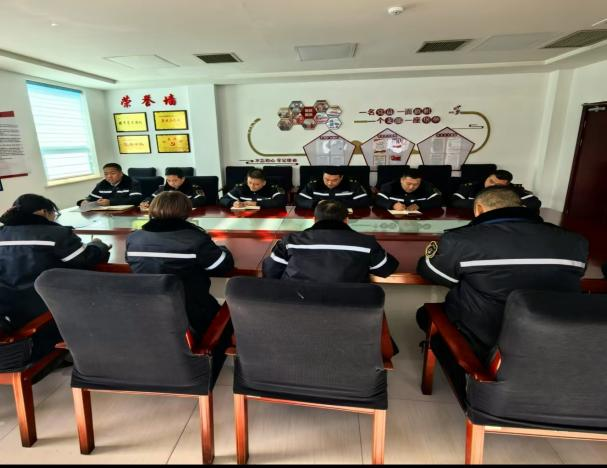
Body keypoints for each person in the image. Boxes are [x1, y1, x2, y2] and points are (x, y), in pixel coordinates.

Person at [416, 185, 588, 361]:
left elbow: (432, 273)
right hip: (558, 336)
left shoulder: (460, 239)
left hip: (485, 341)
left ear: (479, 209)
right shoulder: (575, 241)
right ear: (520, 206)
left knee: (424, 314)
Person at [262, 199, 399, 358]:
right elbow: (386, 268)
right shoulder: (366, 243)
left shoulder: (290, 241)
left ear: (314, 219)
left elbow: (270, 272)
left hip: (297, 315)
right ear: (346, 220)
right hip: (351, 318)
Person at [0, 194, 111, 363]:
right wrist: (98, 245)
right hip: (47, 307)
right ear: (43, 212)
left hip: (7, 309)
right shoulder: (55, 233)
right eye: (54, 213)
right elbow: (85, 259)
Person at [126, 191, 234, 337]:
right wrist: (222, 249)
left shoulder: (133, 238)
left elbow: (133, 262)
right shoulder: (195, 239)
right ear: (186, 211)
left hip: (148, 310)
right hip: (192, 314)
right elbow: (222, 266)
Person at [450, 169, 541, 211]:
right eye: (491, 181)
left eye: (498, 185)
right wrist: (487, 204)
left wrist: (506, 206)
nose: (492, 185)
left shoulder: (512, 189)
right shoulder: (472, 186)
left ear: (506, 185)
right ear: (488, 177)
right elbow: (454, 201)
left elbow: (534, 202)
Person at [296, 166, 370, 209]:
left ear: (341, 178)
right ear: (323, 176)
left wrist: (340, 204)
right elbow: (299, 200)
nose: (330, 183)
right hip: (320, 216)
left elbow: (365, 201)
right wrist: (316, 203)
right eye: (326, 179)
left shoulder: (352, 185)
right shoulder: (314, 184)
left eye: (334, 180)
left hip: (344, 216)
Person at [78, 163, 143, 209]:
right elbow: (91, 198)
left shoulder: (132, 182)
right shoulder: (102, 184)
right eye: (106, 174)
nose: (109, 176)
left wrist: (111, 202)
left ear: (121, 173)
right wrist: (84, 201)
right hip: (107, 214)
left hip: (129, 213)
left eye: (113, 173)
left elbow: (136, 200)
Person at [375, 167, 443, 211]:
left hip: (420, 219)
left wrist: (420, 205)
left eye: (416, 184)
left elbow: (438, 201)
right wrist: (392, 205)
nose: (411, 187)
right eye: (408, 184)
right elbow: (378, 200)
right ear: (402, 180)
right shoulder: (390, 186)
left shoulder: (427, 186)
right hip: (395, 220)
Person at [140, 167, 206, 210]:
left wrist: (177, 205)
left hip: (187, 215)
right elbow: (152, 197)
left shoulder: (194, 187)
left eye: (175, 180)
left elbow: (201, 199)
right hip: (168, 214)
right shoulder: (163, 188)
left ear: (183, 179)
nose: (171, 183)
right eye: (168, 180)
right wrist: (145, 202)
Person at [219, 168, 286, 209]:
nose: (252, 186)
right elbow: (222, 199)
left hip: (267, 218)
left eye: (256, 184)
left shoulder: (272, 188)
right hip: (244, 218)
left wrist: (257, 203)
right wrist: (233, 203)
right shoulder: (241, 187)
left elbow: (281, 202)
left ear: (264, 183)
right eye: (250, 182)